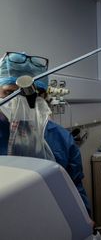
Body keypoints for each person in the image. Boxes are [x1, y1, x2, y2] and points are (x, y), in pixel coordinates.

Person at [0, 51, 91, 214]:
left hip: (51, 215)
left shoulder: (61, 138)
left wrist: (84, 216)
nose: (21, 101)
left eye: (32, 94)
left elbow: (74, 187)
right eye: (9, 92)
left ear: (45, 97)